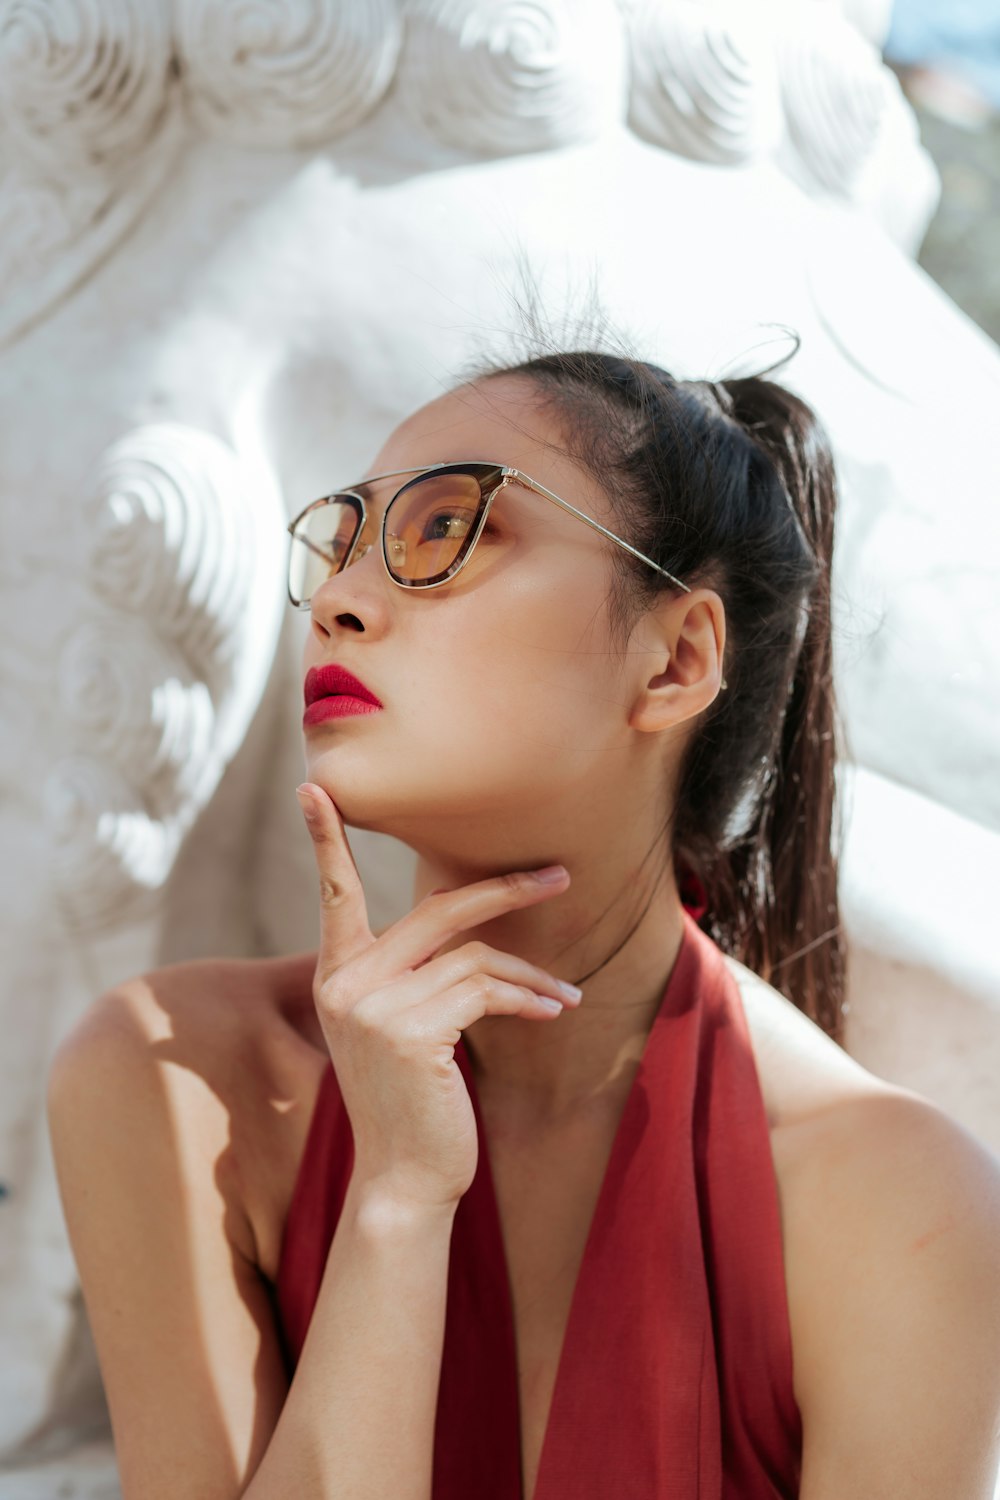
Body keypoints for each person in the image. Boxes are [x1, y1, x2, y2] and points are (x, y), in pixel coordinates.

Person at [46, 346, 1000, 1500]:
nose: (341, 599)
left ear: (676, 659)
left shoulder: (893, 1204)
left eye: (443, 533)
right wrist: (397, 1199)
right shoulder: (177, 1074)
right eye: (341, 543)